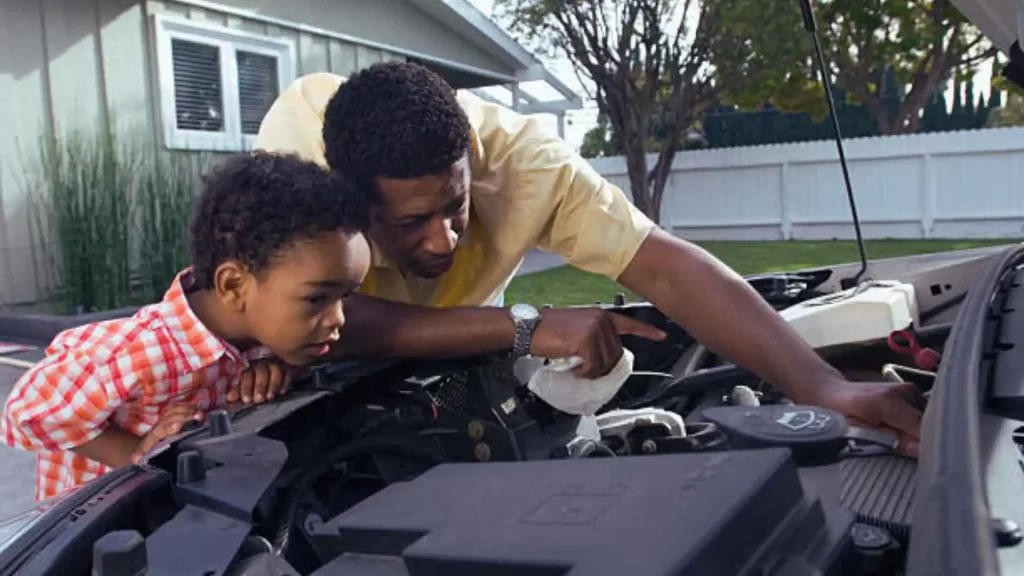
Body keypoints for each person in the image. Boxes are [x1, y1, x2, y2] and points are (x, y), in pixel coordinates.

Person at [253, 62, 924, 457]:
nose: (444, 242)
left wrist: (824, 387)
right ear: (352, 203)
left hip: (449, 369)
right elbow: (322, 318)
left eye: (454, 207)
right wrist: (525, 324)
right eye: (410, 223)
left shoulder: (523, 161)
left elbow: (663, 265)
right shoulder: (296, 158)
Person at [0, 151, 371, 501]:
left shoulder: (264, 339)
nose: (338, 318)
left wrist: (272, 370)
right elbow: (28, 409)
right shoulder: (137, 353)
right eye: (317, 299)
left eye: (346, 297)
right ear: (234, 285)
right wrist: (139, 454)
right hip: (92, 536)